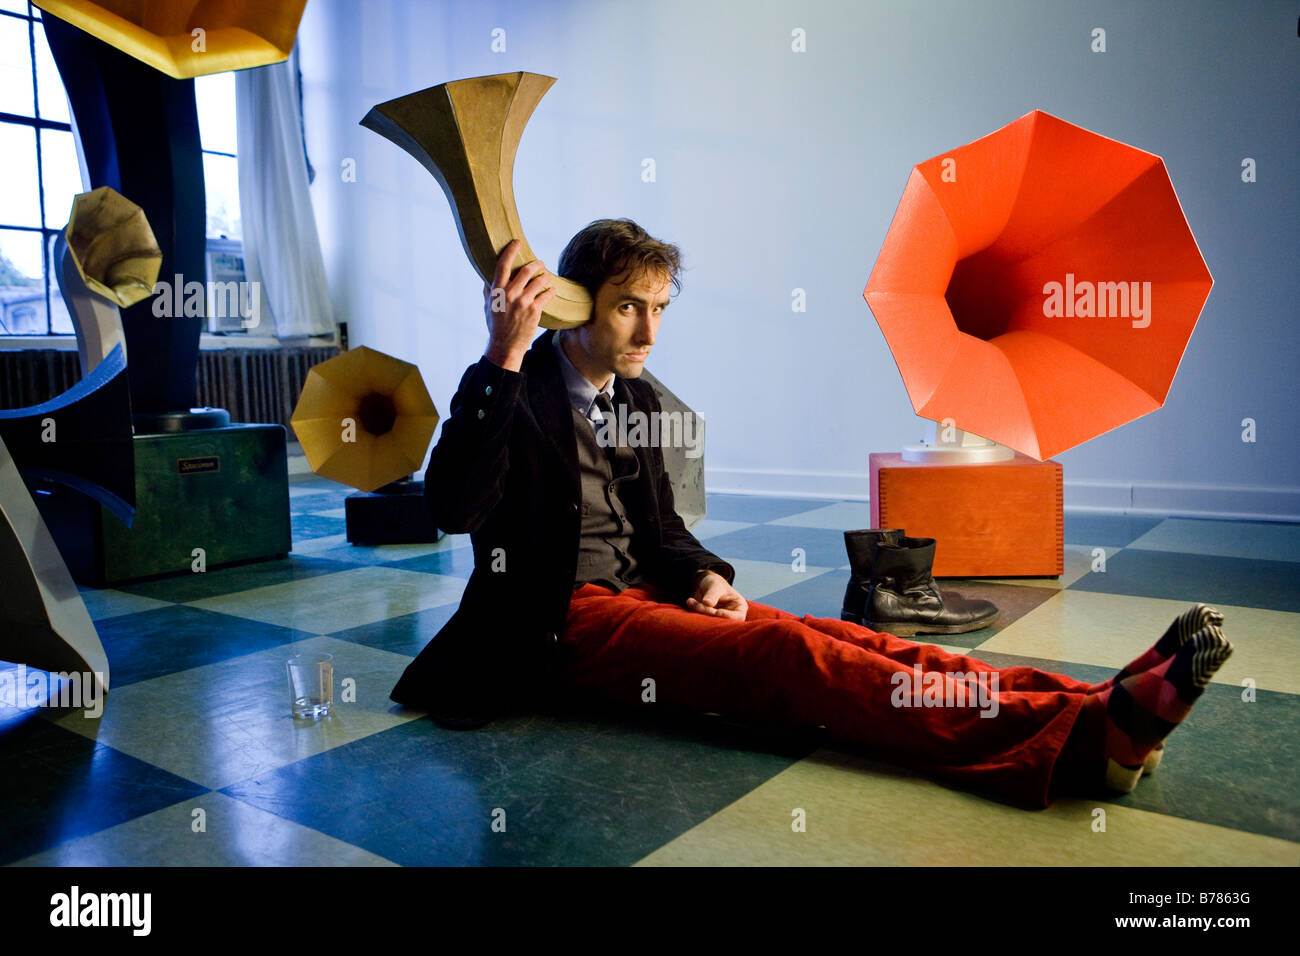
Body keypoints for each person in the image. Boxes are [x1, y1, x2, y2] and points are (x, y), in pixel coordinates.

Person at [391, 219, 1233, 807]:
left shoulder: (639, 395)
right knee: (789, 653)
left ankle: (1091, 704)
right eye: (626, 306)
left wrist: (706, 575)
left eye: (660, 308)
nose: (649, 329)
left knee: (857, 638)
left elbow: (662, 531)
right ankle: (1090, 744)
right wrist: (500, 355)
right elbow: (455, 506)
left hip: (646, 594)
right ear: (576, 304)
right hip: (559, 622)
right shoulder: (516, 384)